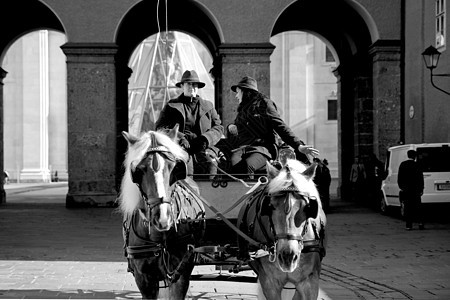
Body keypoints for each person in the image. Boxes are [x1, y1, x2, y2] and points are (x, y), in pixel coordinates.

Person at [225, 76, 319, 176]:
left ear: (246, 92)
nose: (236, 96)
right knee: (228, 164)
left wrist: (298, 146)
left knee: (245, 167)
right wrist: (231, 127)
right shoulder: (242, 109)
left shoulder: (264, 103)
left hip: (263, 149)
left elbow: (280, 126)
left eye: (238, 92)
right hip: (243, 148)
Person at [155, 70, 224, 177]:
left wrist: (206, 139)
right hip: (180, 148)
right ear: (182, 86)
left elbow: (218, 127)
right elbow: (160, 127)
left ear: (198, 87)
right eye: (188, 84)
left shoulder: (208, 106)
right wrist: (179, 138)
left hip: (203, 148)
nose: (192, 87)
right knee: (185, 168)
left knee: (211, 165)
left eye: (195, 84)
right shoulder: (171, 106)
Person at [397, 150, 424, 230]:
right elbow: (420, 178)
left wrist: (402, 187)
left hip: (406, 190)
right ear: (414, 156)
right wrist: (421, 188)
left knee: (408, 207)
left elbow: (400, 178)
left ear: (407, 155)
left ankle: (408, 225)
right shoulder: (417, 165)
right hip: (415, 189)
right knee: (418, 207)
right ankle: (420, 223)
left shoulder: (403, 165)